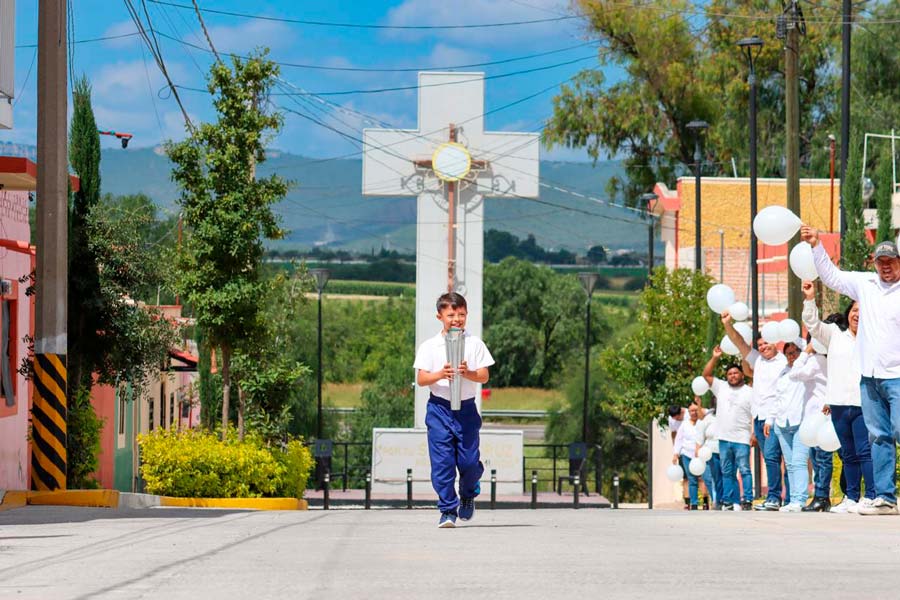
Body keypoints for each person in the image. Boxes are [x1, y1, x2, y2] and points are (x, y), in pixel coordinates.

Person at [801, 227, 900, 515]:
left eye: (891, 262)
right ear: (873, 263)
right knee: (879, 437)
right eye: (881, 262)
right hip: (869, 378)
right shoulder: (864, 284)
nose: (885, 267)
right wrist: (817, 245)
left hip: (897, 376)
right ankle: (885, 497)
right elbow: (831, 276)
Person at [414, 292, 494, 528]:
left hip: (466, 410)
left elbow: (484, 376)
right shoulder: (430, 346)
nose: (457, 319)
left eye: (461, 314)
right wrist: (441, 374)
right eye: (451, 315)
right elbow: (421, 379)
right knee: (442, 465)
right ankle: (448, 510)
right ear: (440, 316)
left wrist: (466, 373)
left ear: (466, 315)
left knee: (469, 462)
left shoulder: (475, 343)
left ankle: (468, 493)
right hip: (439, 410)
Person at [802, 281, 875, 513]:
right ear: (848, 313)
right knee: (847, 454)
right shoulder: (835, 334)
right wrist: (810, 298)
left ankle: (872, 496)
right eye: (854, 310)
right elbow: (813, 325)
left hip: (864, 404)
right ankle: (851, 497)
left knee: (864, 451)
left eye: (862, 312)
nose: (857, 315)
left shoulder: (873, 338)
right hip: (839, 404)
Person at [721, 311, 790, 510]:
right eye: (759, 345)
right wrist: (728, 324)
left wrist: (771, 418)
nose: (762, 347)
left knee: (772, 456)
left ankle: (775, 497)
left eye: (766, 343)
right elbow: (738, 341)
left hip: (775, 417)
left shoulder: (784, 361)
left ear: (775, 343)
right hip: (759, 418)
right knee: (771, 457)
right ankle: (780, 498)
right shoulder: (757, 360)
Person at [702, 347, 754, 510]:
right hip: (723, 439)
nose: (732, 376)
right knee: (727, 472)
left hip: (742, 439)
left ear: (741, 375)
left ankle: (747, 500)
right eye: (730, 374)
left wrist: (754, 433)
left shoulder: (749, 392)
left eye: (735, 373)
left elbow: (757, 413)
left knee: (745, 470)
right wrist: (715, 358)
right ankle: (729, 501)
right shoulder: (721, 387)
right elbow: (706, 375)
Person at [672, 402, 713, 510]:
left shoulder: (703, 422)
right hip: (687, 455)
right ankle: (694, 503)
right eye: (691, 411)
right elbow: (679, 440)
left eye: (695, 410)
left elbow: (710, 411)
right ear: (688, 412)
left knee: (704, 478)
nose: (693, 413)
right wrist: (676, 454)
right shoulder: (684, 424)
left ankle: (706, 502)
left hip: (701, 455)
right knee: (691, 479)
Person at [696, 401, 723, 509]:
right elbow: (700, 437)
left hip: (727, 450)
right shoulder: (708, 418)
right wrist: (697, 451)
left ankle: (727, 500)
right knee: (715, 478)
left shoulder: (728, 416)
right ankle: (718, 501)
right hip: (711, 452)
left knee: (727, 476)